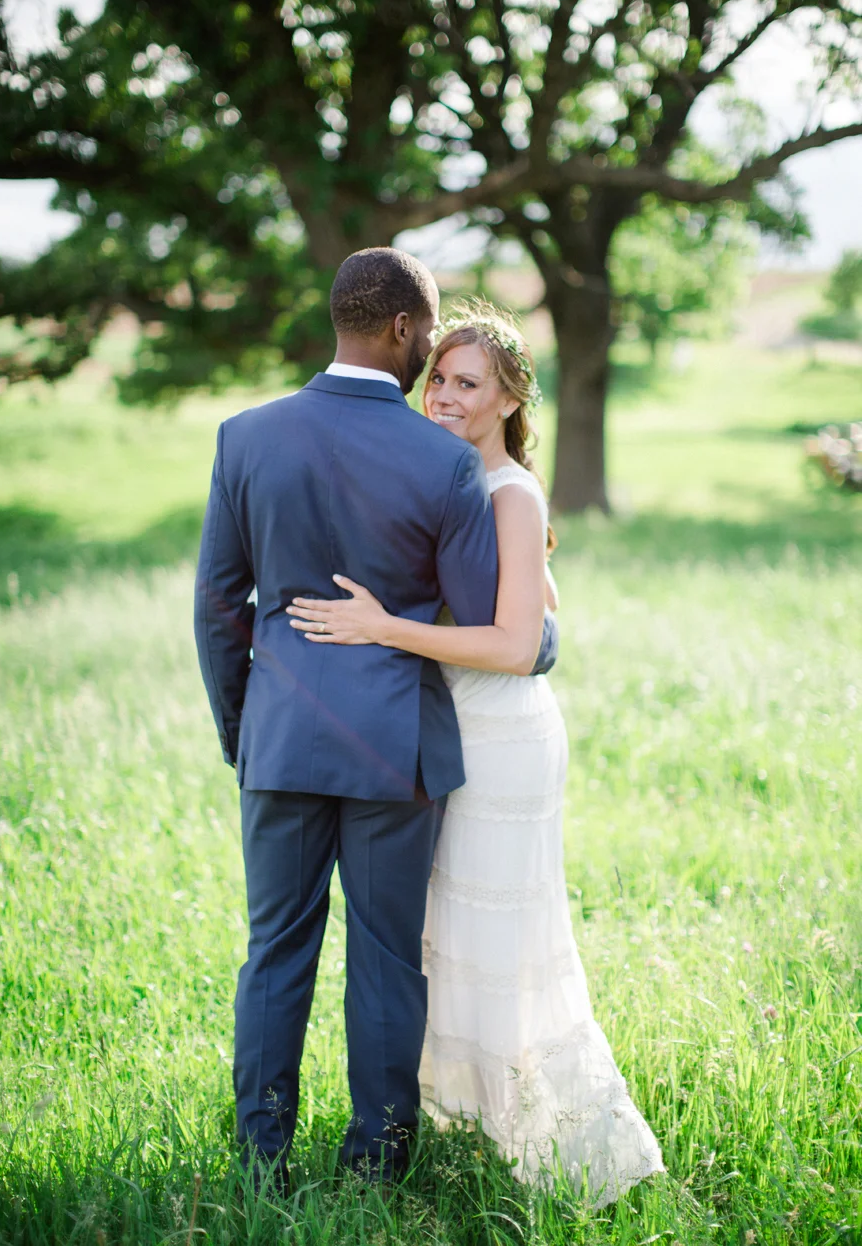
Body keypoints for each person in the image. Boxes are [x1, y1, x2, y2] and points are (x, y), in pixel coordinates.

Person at [193, 251, 557, 1193]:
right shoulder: (441, 461)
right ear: (402, 330)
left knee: (275, 948)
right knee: (388, 957)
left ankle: (260, 1157)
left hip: (278, 738)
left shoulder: (245, 436)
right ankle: (377, 1162)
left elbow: (218, 608)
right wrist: (543, 643)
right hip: (396, 749)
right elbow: (486, 617)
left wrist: (249, 732)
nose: (430, 352)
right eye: (429, 335)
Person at [288, 304, 664, 1207]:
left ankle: (565, 1148)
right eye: (438, 380)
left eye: (468, 384)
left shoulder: (511, 492)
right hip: (443, 730)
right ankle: (463, 1114)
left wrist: (385, 628)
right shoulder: (447, 480)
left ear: (507, 399)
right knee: (443, 932)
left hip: (503, 737)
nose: (445, 398)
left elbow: (511, 643)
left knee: (505, 937)